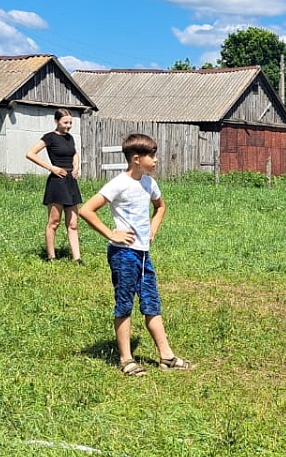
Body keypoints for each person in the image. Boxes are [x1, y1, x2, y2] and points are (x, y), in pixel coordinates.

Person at [79, 133, 192, 376]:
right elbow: (86, 210)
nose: (156, 160)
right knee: (125, 305)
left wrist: (153, 228)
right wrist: (111, 234)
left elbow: (160, 206)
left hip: (142, 255)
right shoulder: (119, 183)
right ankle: (126, 359)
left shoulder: (149, 183)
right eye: (152, 156)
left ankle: (167, 357)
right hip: (124, 255)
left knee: (152, 302)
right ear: (136, 159)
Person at [24, 109, 84, 263]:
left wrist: (76, 165)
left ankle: (77, 258)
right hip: (57, 183)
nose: (68, 126)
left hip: (71, 181)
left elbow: (74, 153)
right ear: (56, 121)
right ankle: (51, 257)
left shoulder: (70, 138)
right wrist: (52, 168)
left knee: (73, 223)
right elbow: (30, 153)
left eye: (70, 123)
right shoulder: (49, 137)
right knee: (54, 222)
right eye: (65, 123)